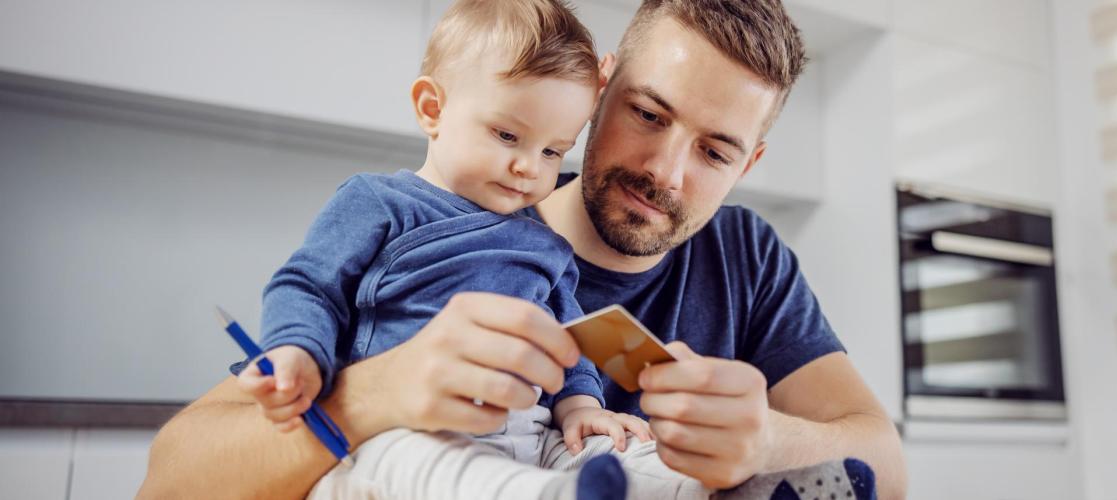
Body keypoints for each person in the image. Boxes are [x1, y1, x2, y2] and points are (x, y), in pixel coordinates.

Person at [140, 0, 908, 498]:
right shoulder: (452, 226)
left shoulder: (746, 257)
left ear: (751, 164)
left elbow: (885, 464)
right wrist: (379, 392)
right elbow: (170, 479)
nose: (663, 172)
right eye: (647, 113)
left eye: (716, 152)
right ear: (598, 87)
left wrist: (769, 439)